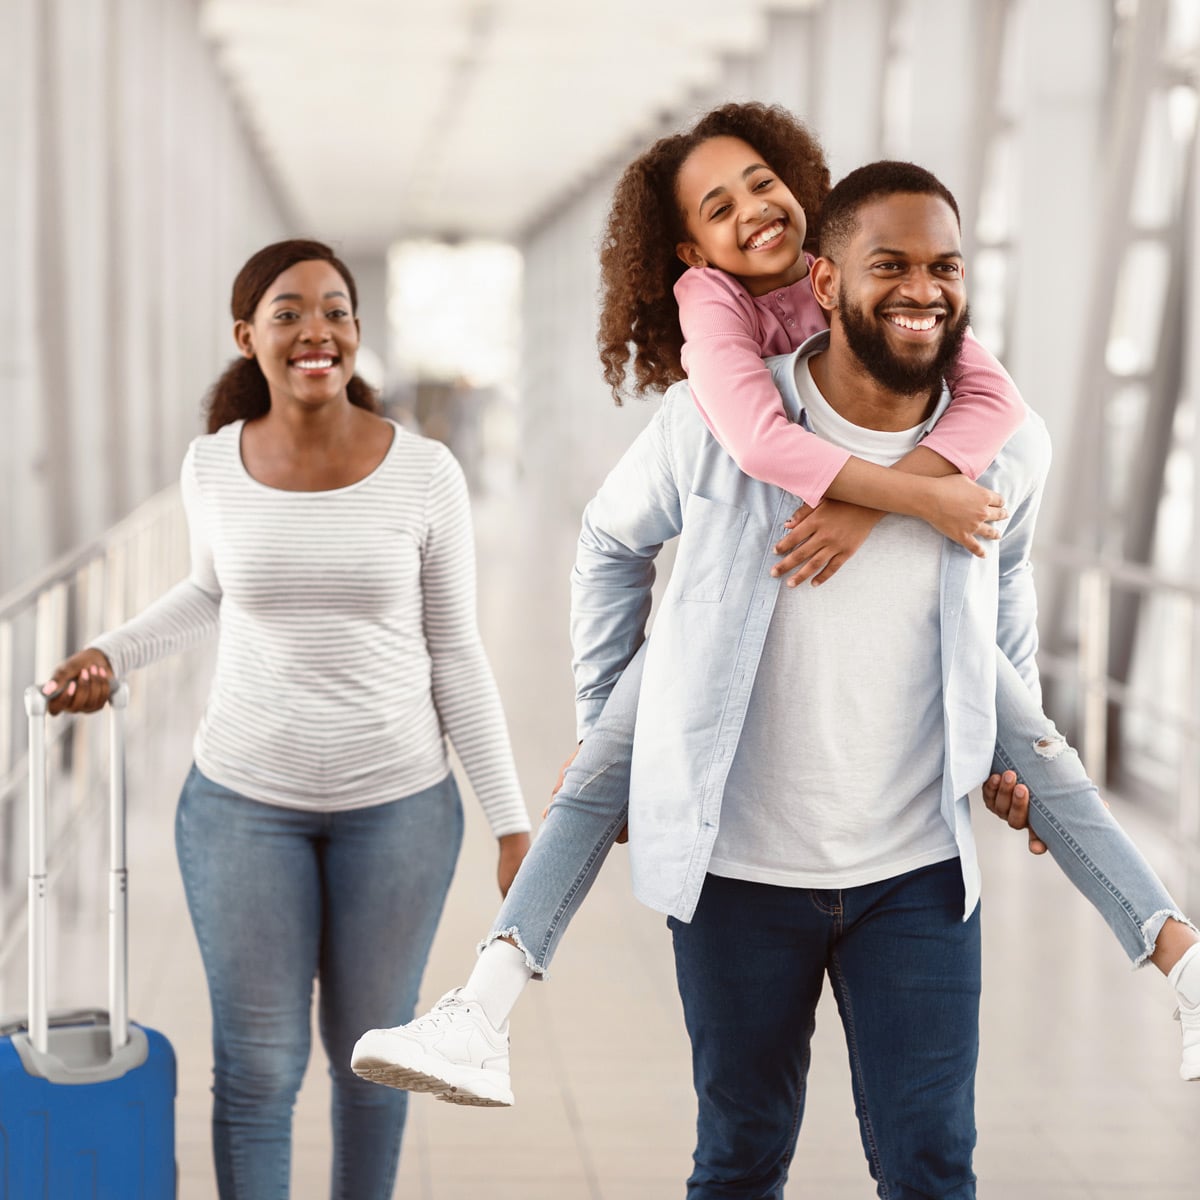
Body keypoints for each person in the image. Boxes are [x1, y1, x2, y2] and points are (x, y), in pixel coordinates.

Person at [351, 108, 1199, 1113]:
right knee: (598, 766)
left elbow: (999, 482)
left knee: (1045, 747)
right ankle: (479, 1014)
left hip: (913, 831)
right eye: (719, 205)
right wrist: (890, 502)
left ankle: (1184, 965)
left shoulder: (929, 330)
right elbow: (749, 446)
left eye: (761, 182)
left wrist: (993, 741)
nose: (754, 210)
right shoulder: (715, 331)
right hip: (717, 662)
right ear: (693, 251)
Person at [41, 239, 532, 1199]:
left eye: (337, 310)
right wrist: (110, 654)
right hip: (240, 805)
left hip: (398, 808)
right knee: (259, 1071)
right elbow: (204, 592)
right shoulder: (212, 465)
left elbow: (458, 652)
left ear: (356, 331)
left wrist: (512, 823)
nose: (318, 330)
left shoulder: (426, 473)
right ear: (248, 337)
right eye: (290, 311)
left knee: (374, 1064)